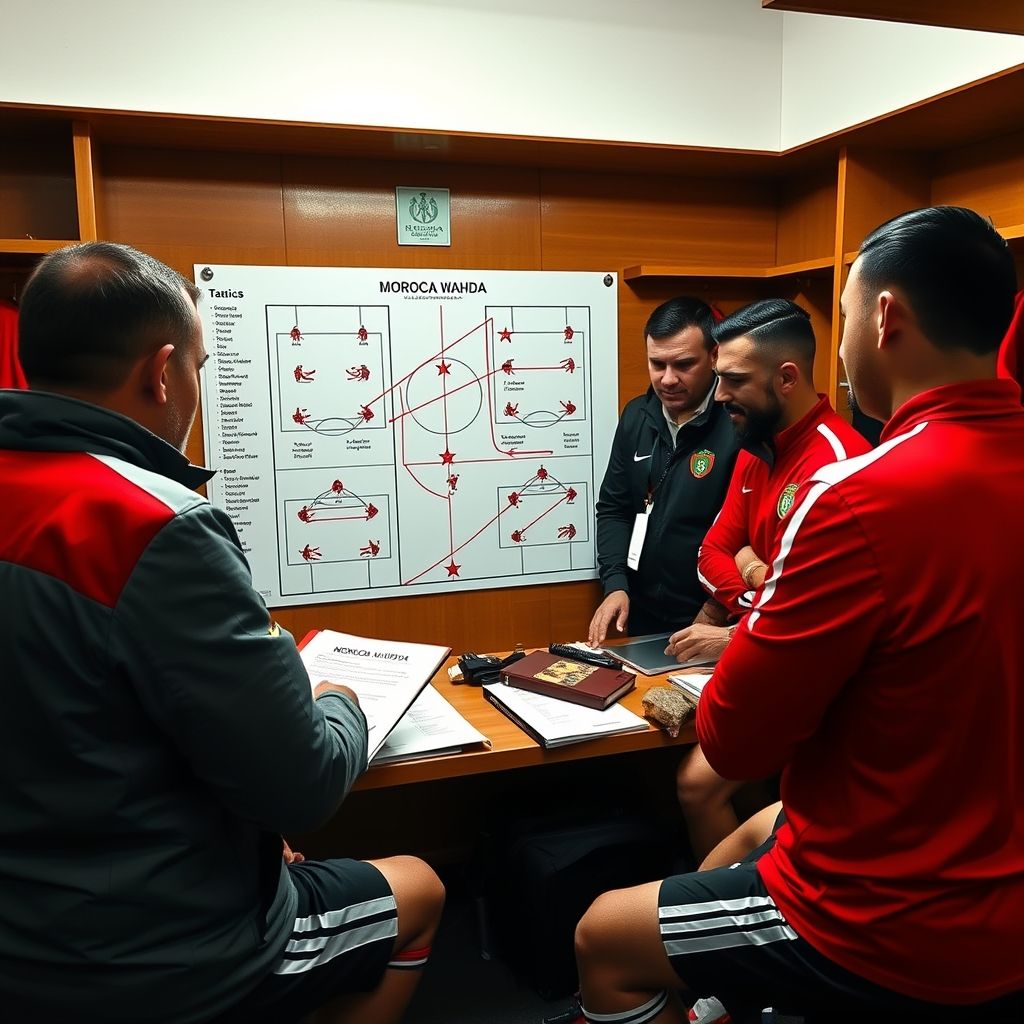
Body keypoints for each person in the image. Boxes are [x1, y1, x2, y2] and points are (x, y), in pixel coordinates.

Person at [568, 206, 1024, 1023]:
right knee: (749, 832)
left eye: (844, 315)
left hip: (883, 912)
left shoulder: (857, 494)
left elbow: (734, 739)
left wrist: (749, 615)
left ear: (883, 319)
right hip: (993, 882)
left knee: (603, 935)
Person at [0, 242, 444, 1024]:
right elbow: (303, 783)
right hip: (162, 954)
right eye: (199, 366)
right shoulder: (151, 526)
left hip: (27, 931)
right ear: (162, 372)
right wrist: (341, 702)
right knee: (421, 888)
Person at [667, 299, 871, 862]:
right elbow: (711, 552)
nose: (719, 395)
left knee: (696, 783)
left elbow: (815, 612)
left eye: (734, 380)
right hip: (761, 643)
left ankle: (735, 902)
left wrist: (746, 600)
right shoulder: (757, 446)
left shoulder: (837, 463)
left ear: (786, 378)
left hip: (811, 678)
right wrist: (760, 584)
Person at [588, 297, 739, 645]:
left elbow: (749, 533)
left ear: (713, 356)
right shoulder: (636, 416)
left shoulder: (739, 423)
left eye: (683, 364)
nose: (668, 379)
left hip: (710, 619)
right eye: (657, 364)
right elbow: (614, 508)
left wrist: (716, 610)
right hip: (642, 614)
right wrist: (615, 584)